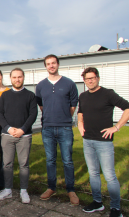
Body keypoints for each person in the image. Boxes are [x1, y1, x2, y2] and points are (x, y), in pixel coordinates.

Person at [78, 67, 129, 217]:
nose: (90, 81)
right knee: (93, 173)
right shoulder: (83, 95)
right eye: (87, 79)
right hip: (88, 141)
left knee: (109, 175)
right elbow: (81, 112)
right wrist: (80, 124)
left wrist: (116, 127)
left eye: (92, 78)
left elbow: (127, 108)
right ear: (84, 80)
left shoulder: (108, 94)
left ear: (98, 78)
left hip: (104, 142)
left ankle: (115, 209)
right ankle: (97, 203)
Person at [35, 54, 79, 205]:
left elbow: (73, 106)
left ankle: (71, 190)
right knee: (50, 160)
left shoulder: (69, 84)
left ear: (58, 64)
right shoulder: (40, 86)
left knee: (67, 160)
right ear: (45, 66)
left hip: (65, 127)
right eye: (48, 64)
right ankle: (51, 187)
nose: (51, 66)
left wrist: (64, 117)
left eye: (53, 63)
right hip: (47, 128)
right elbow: (41, 105)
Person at [0, 68, 37, 204]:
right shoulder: (5, 95)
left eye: (19, 77)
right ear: (10, 78)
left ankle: (23, 190)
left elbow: (33, 115)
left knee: (24, 164)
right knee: (7, 164)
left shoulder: (30, 95)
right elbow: (0, 114)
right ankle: (7, 190)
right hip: (7, 135)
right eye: (14, 77)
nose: (17, 79)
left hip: (24, 136)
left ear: (23, 77)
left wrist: (22, 129)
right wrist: (8, 128)